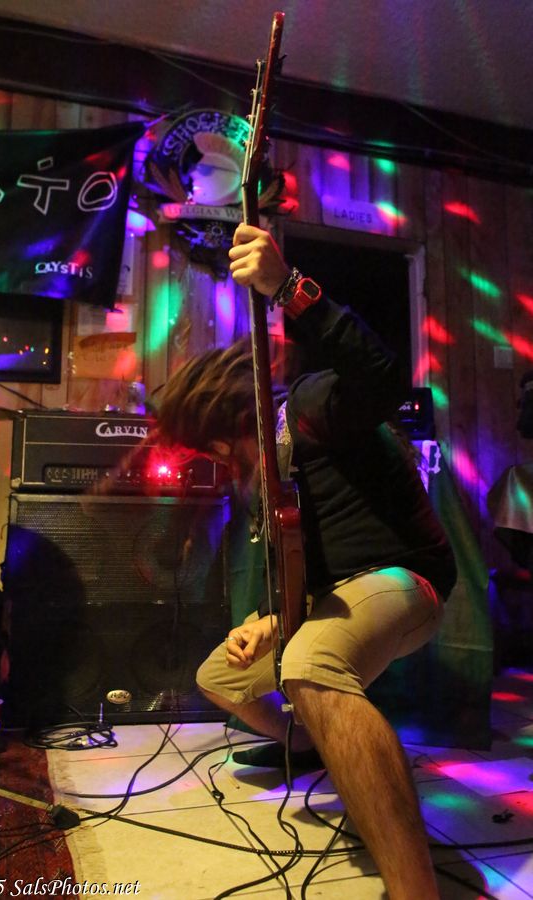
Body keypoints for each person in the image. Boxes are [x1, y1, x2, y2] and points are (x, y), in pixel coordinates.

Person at [156, 224, 456, 900]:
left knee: (310, 664)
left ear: (225, 433)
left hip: (404, 581)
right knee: (219, 675)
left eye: (214, 451)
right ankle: (316, 743)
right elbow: (305, 570)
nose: (219, 464)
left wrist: (288, 287)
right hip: (334, 599)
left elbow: (383, 378)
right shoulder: (265, 483)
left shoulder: (309, 408)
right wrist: (269, 620)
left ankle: (416, 891)